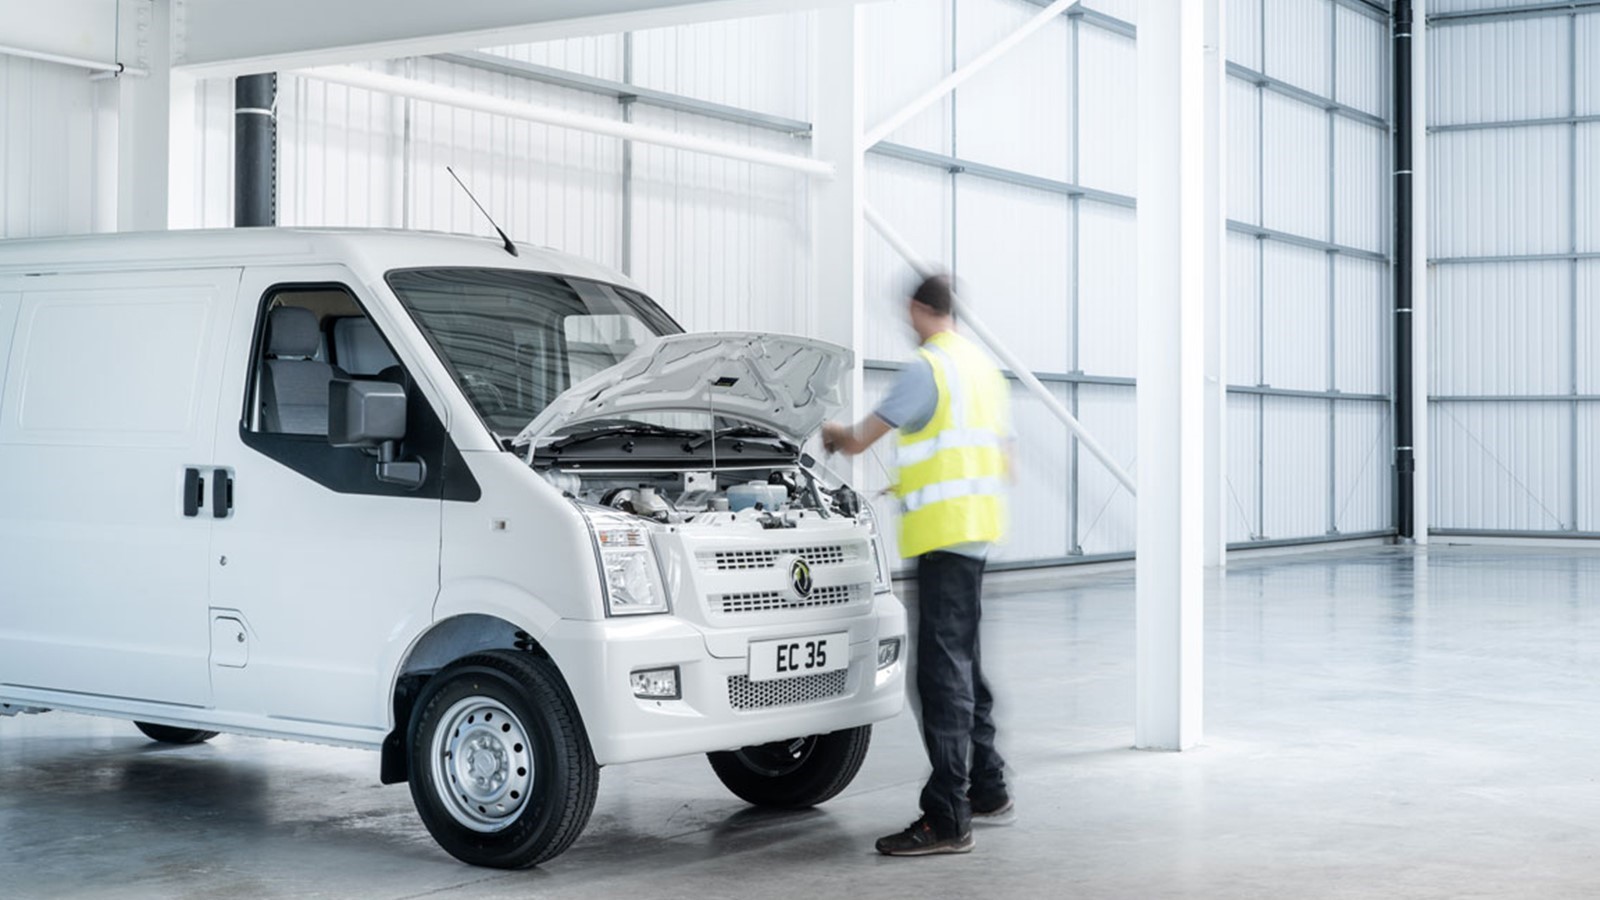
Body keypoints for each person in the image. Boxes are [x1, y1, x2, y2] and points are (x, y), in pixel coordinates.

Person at [820, 273, 1013, 857]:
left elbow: (861, 439)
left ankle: (948, 818)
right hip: (977, 533)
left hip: (943, 537)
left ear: (916, 308)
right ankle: (988, 786)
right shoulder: (981, 368)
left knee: (940, 677)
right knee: (965, 664)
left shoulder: (928, 368)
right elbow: (1002, 457)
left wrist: (832, 433)